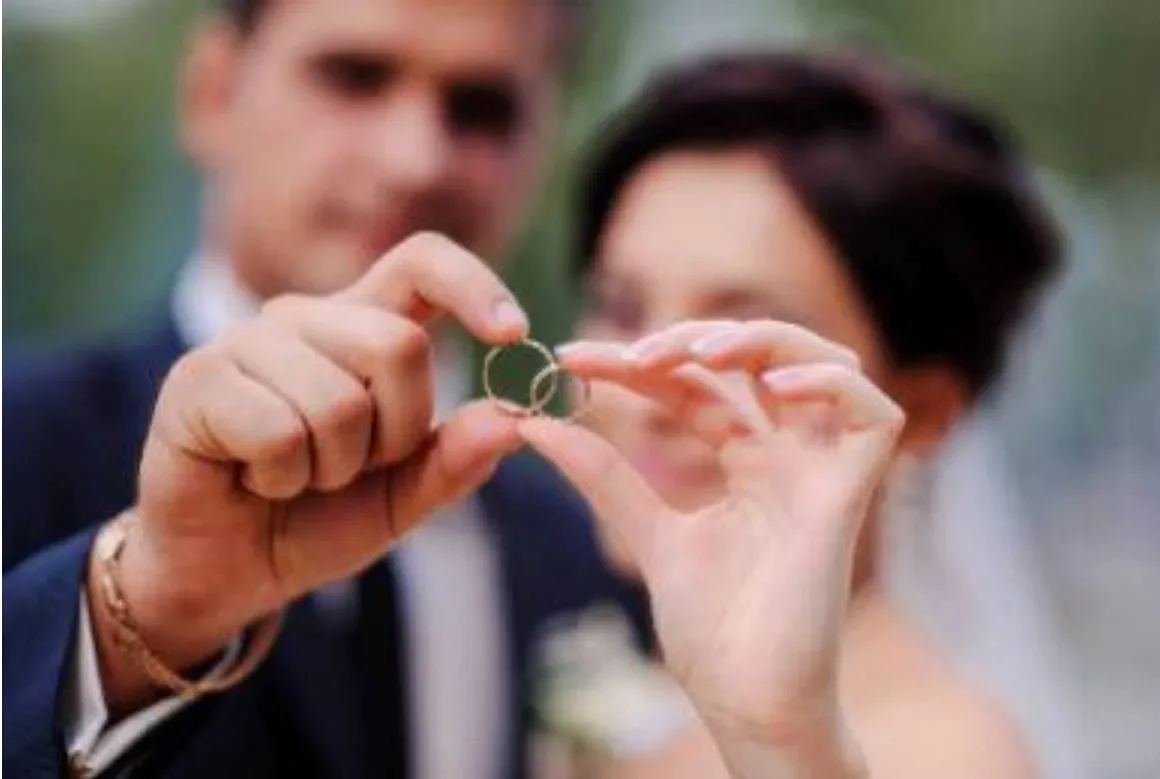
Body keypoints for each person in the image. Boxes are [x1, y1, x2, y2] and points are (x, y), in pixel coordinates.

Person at [3, 2, 656, 778]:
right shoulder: (23, 441)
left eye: (482, 107)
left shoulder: (588, 553)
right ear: (214, 91)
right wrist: (144, 611)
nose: (416, 159)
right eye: (355, 78)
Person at [522, 50, 1063, 778]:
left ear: (923, 408)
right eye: (620, 310)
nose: (644, 390)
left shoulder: (948, 754)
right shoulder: (605, 662)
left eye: (737, 343)